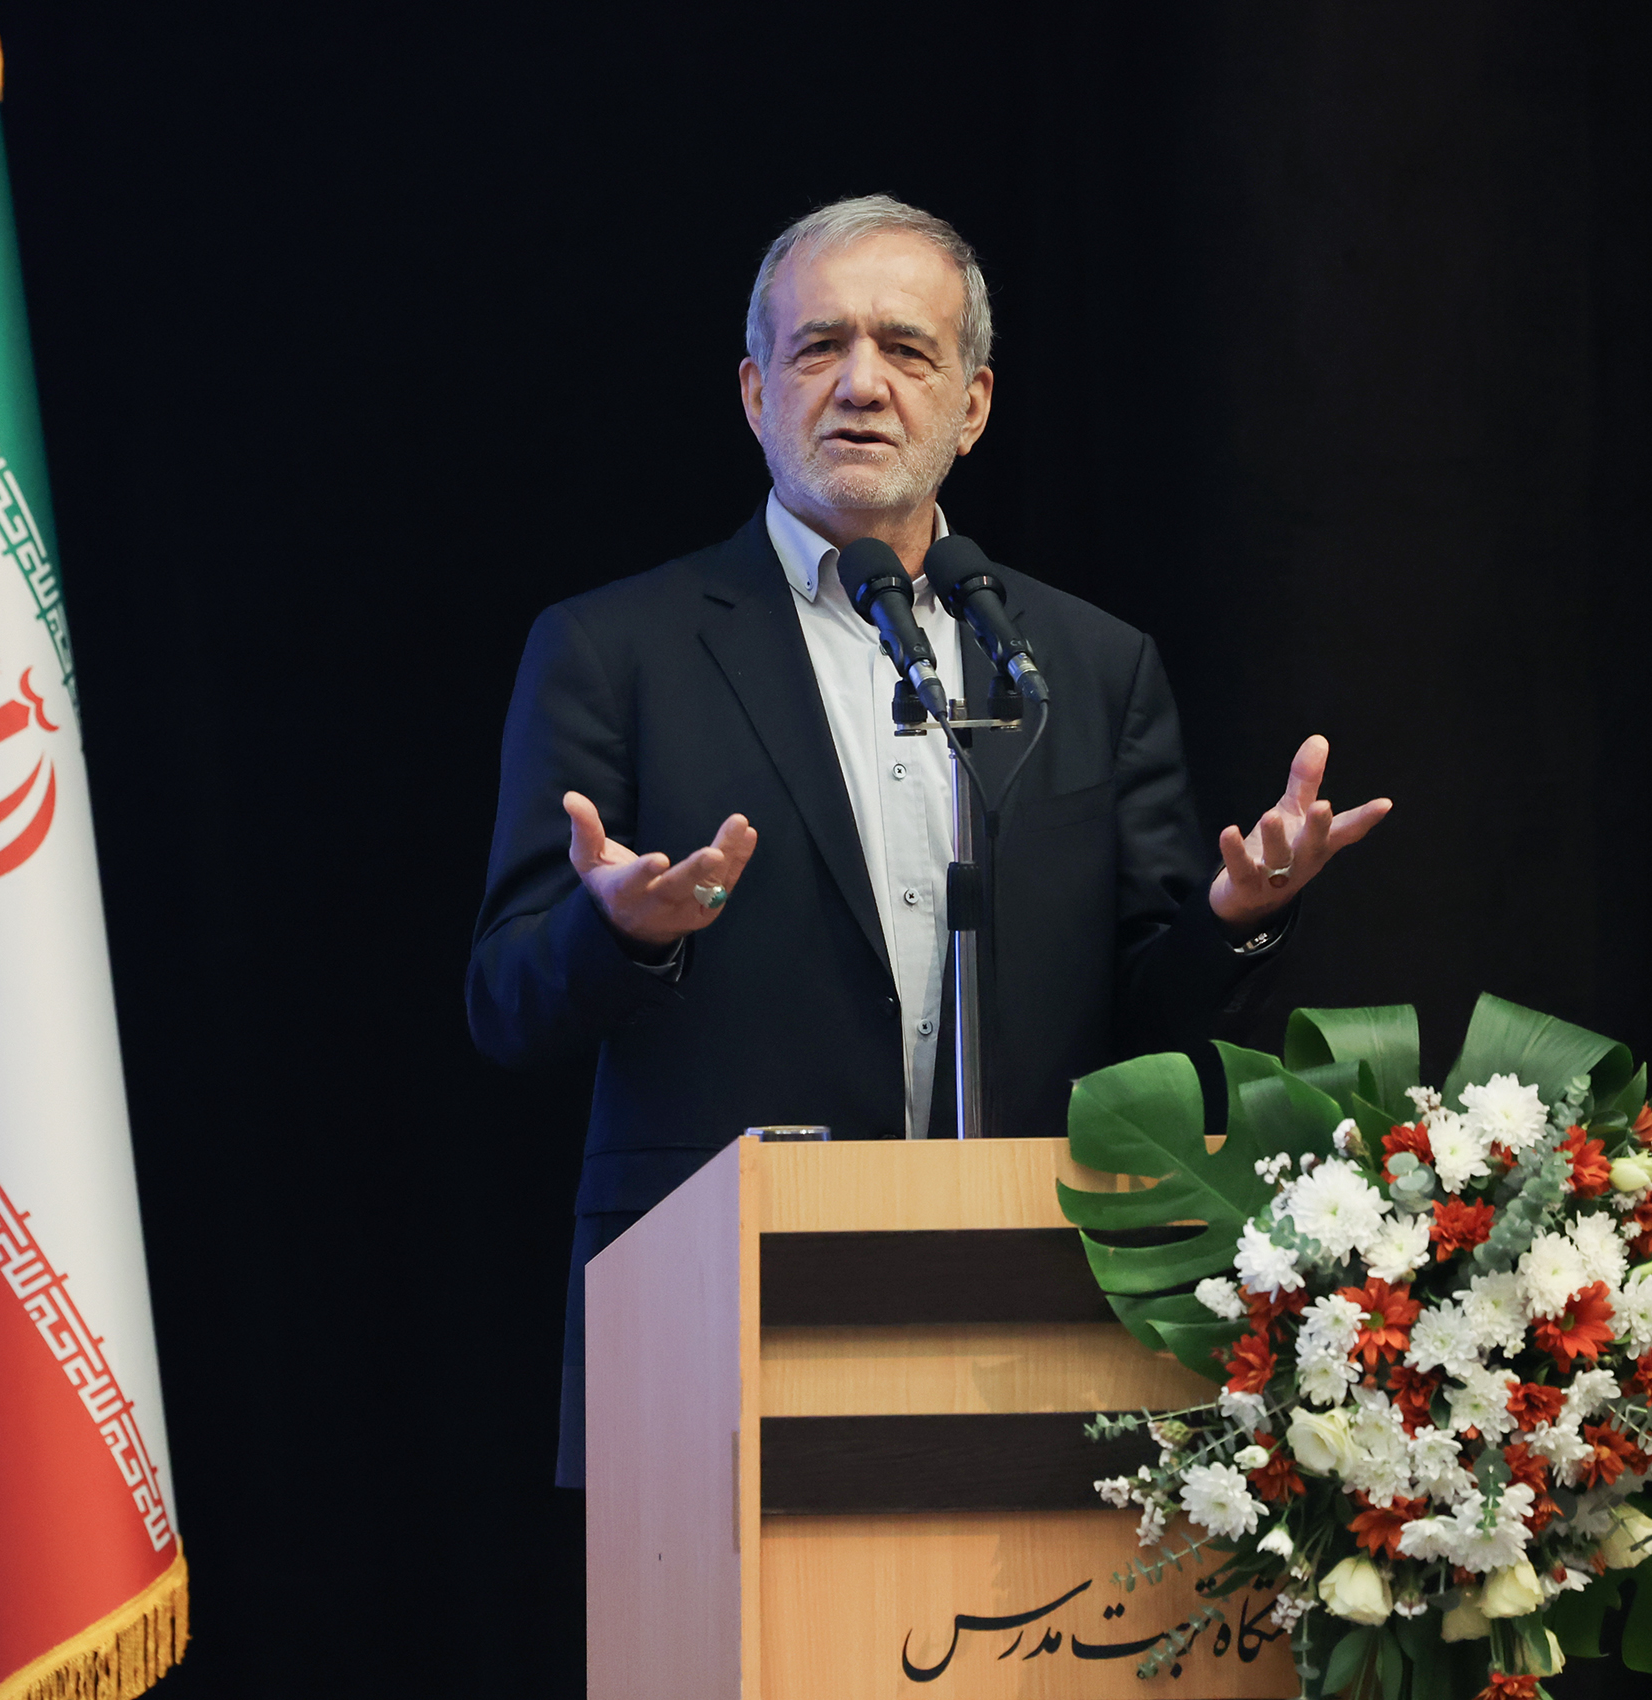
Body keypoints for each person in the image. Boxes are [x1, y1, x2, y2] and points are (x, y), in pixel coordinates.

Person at [467, 196, 1391, 1486]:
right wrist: (620, 932)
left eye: (907, 349)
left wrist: (1240, 917)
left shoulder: (1090, 665)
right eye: (818, 347)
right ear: (755, 393)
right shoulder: (615, 650)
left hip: (1038, 1314)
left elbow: (1153, 1021)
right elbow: (506, 1003)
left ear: (972, 405)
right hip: (718, 1325)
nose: (862, 384)